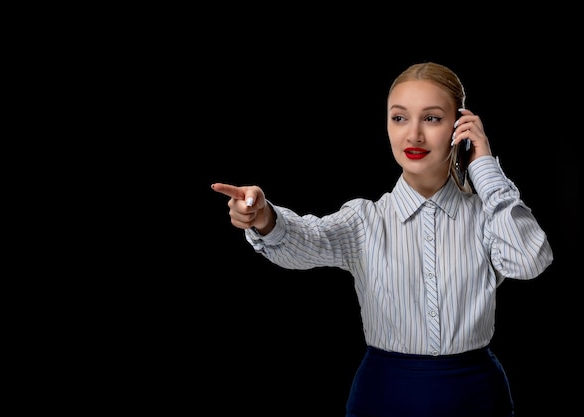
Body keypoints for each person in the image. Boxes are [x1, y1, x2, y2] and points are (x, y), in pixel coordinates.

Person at [211, 62, 553, 417]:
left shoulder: (488, 215)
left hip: (478, 398)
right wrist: (265, 219)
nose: (414, 136)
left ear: (460, 125)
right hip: (383, 397)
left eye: (432, 118)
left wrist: (483, 166)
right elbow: (307, 239)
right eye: (400, 118)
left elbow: (529, 262)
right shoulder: (364, 219)